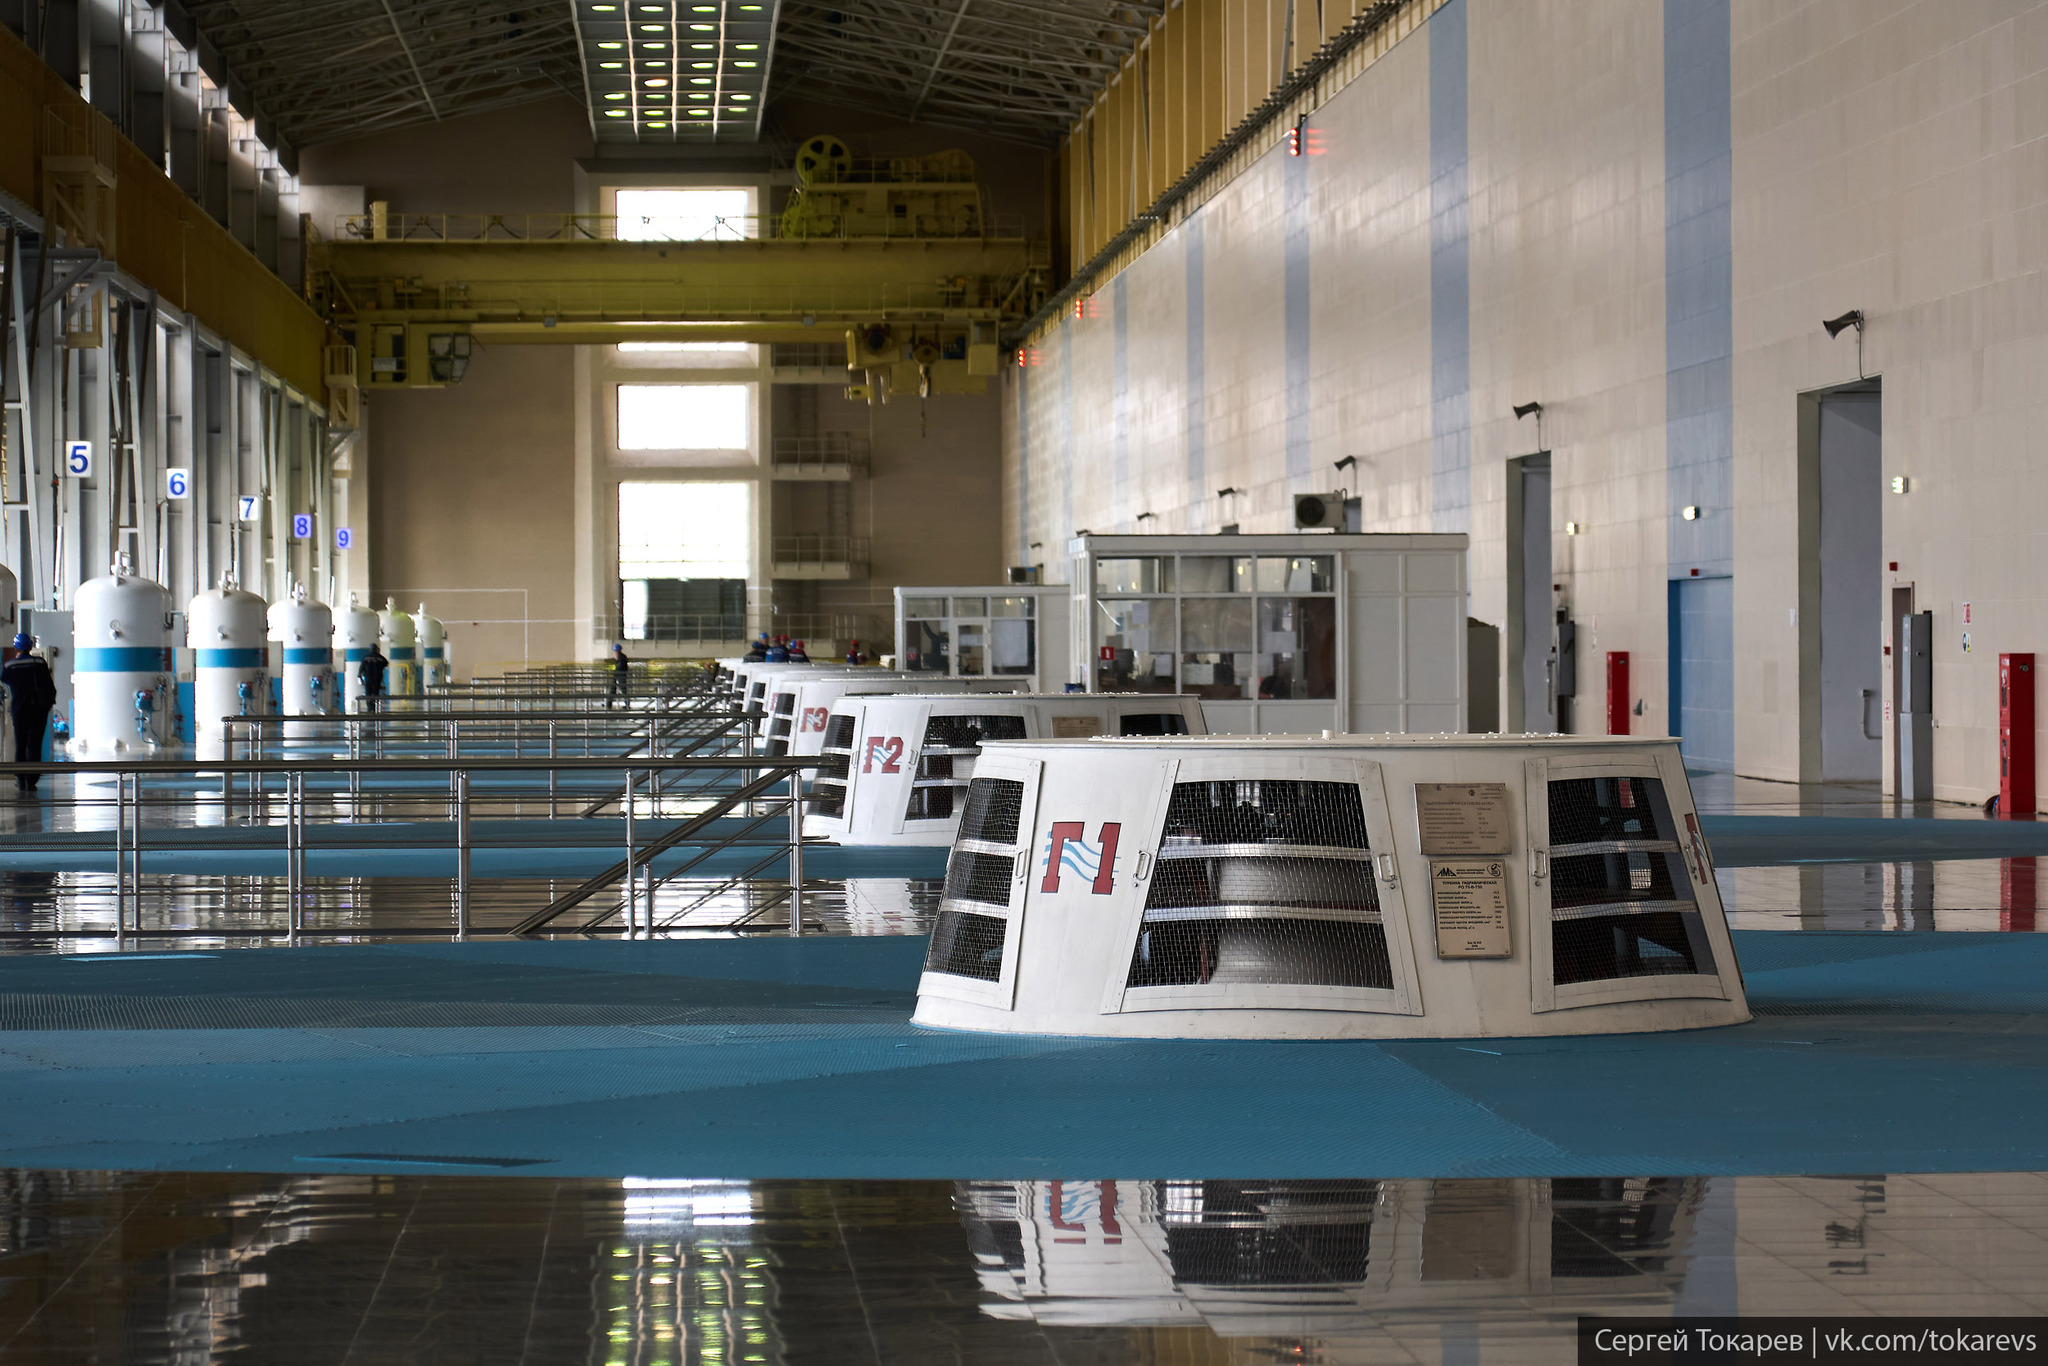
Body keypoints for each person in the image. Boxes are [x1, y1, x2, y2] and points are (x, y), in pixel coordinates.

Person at [2, 635, 56, 792]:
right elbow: (48, 684)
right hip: (38, 710)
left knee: (21, 743)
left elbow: (4, 682)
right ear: (30, 647)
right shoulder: (39, 663)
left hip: (19, 710)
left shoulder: (10, 666)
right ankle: (32, 780)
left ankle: (20, 778)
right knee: (34, 744)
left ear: (16, 648)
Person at [358, 642, 389, 712]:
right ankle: (375, 708)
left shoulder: (365, 658)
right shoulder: (380, 658)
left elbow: (361, 668)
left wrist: (359, 676)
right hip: (377, 679)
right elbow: (386, 663)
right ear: (377, 649)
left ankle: (369, 708)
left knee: (368, 693)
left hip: (368, 679)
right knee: (375, 693)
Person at [608, 643, 631, 708]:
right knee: (617, 690)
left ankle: (609, 704)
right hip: (620, 676)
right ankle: (609, 704)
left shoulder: (621, 658)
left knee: (621, 690)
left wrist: (616, 673)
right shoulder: (622, 657)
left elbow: (620, 667)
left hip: (620, 676)